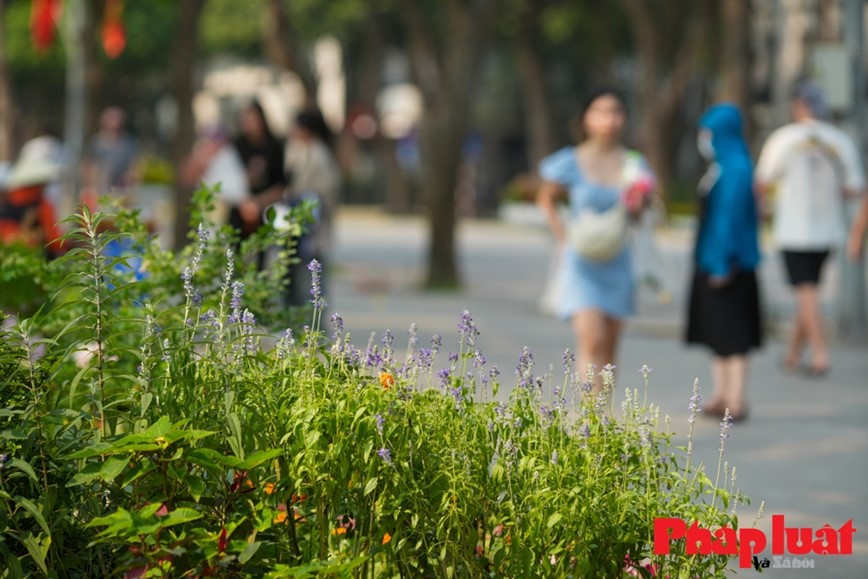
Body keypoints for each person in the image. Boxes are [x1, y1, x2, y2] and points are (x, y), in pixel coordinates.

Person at [536, 88, 655, 391]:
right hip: (581, 262)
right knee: (592, 340)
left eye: (615, 111)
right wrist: (562, 236)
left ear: (624, 118)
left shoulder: (633, 164)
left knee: (611, 352)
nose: (609, 119)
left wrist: (639, 204)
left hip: (618, 259)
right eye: (600, 111)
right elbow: (546, 197)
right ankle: (590, 424)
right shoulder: (569, 160)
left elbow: (640, 217)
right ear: (586, 118)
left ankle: (603, 419)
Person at [755, 82, 865, 377]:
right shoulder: (840, 140)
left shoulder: (783, 139)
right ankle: (793, 354)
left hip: (792, 229)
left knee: (806, 290)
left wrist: (763, 212)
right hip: (829, 229)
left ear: (799, 106)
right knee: (809, 288)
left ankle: (819, 354)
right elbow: (855, 188)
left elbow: (762, 181)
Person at [686, 104, 762, 422]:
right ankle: (721, 396)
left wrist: (722, 263)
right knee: (718, 334)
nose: (704, 137)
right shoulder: (719, 166)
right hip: (711, 259)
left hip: (730, 264)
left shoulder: (736, 167)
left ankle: (736, 398)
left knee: (734, 335)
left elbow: (728, 221)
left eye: (709, 131)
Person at [284, 108, 342, 307]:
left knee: (312, 278)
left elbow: (325, 192)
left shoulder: (318, 154)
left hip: (313, 227)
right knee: (303, 277)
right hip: (302, 223)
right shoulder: (301, 150)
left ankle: (315, 327)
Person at [231, 100, 287, 245]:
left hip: (266, 206)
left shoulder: (274, 146)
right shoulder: (236, 146)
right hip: (240, 207)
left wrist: (258, 203)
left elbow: (280, 185)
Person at [82, 106, 137, 203]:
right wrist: (90, 186)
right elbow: (89, 165)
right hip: (100, 188)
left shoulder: (128, 142)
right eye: (111, 119)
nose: (115, 122)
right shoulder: (97, 142)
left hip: (121, 189)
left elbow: (134, 167)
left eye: (117, 119)